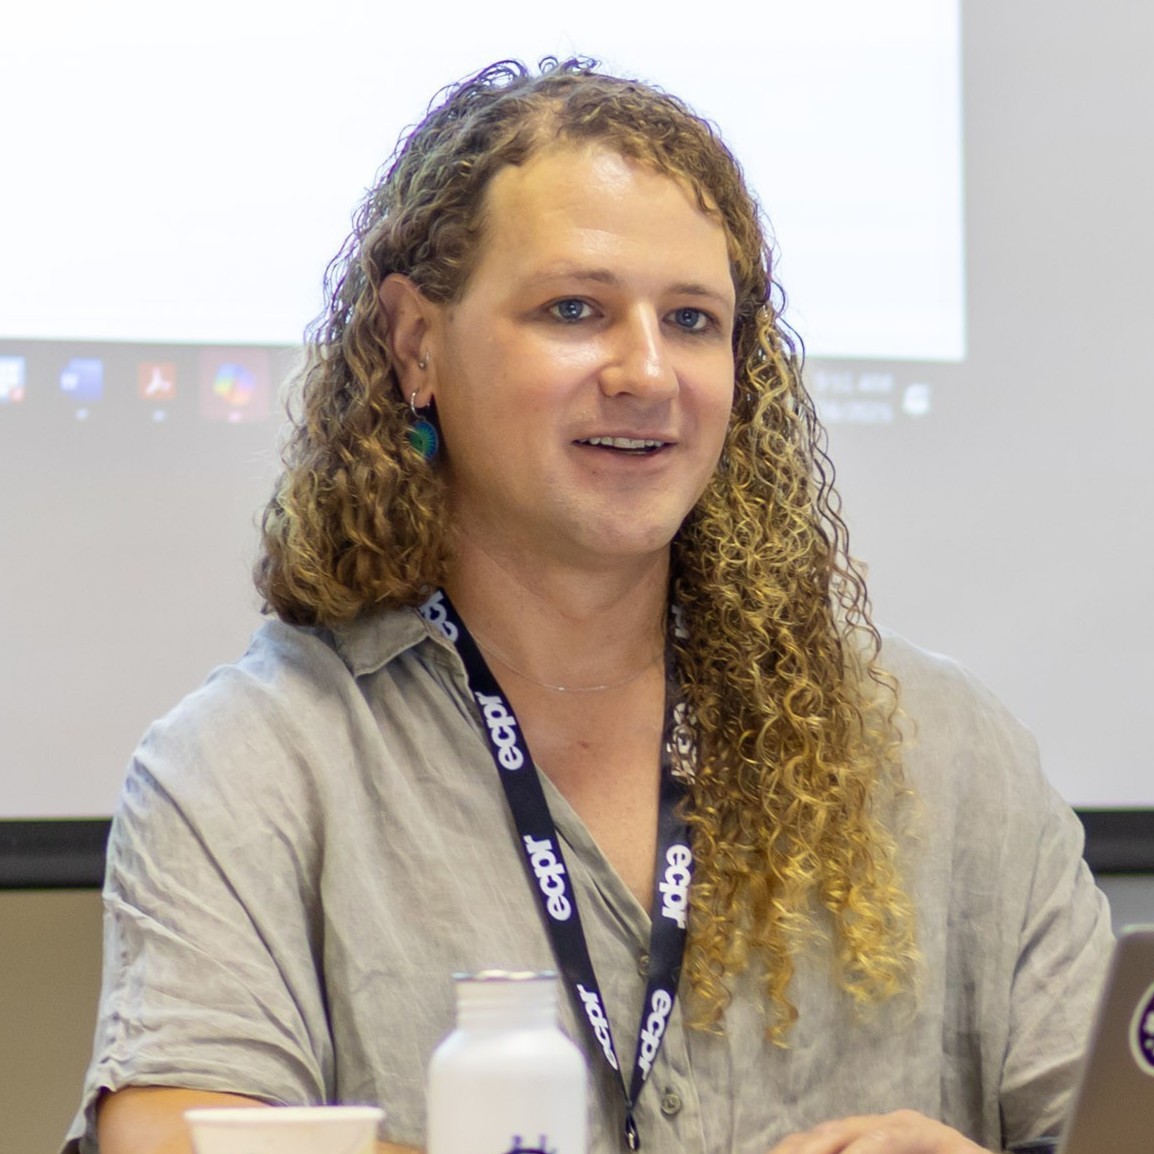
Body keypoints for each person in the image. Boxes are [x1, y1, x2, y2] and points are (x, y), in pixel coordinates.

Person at [67, 58, 1112, 1154]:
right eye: (575, 309)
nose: (647, 372)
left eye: (694, 320)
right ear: (415, 342)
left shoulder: (945, 750)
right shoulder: (252, 762)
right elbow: (175, 1130)